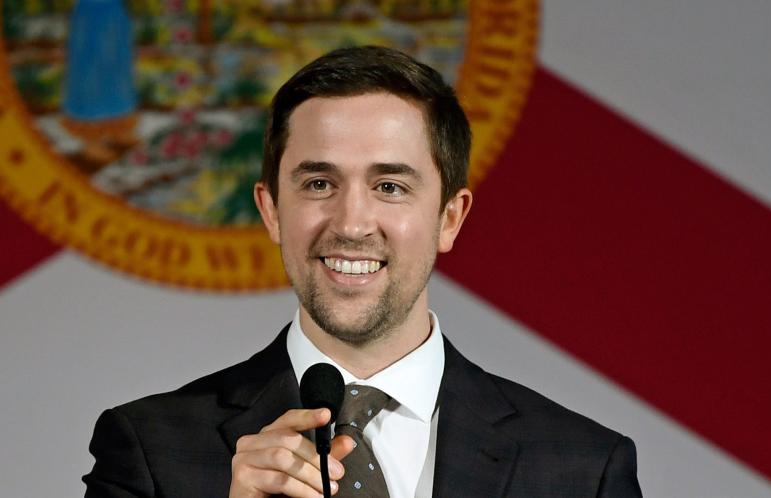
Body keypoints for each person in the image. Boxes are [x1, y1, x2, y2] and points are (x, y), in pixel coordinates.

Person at [82, 46, 642, 498]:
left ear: (450, 217)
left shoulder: (582, 469)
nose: (351, 222)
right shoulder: (148, 449)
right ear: (272, 210)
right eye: (319, 184)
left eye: (390, 187)